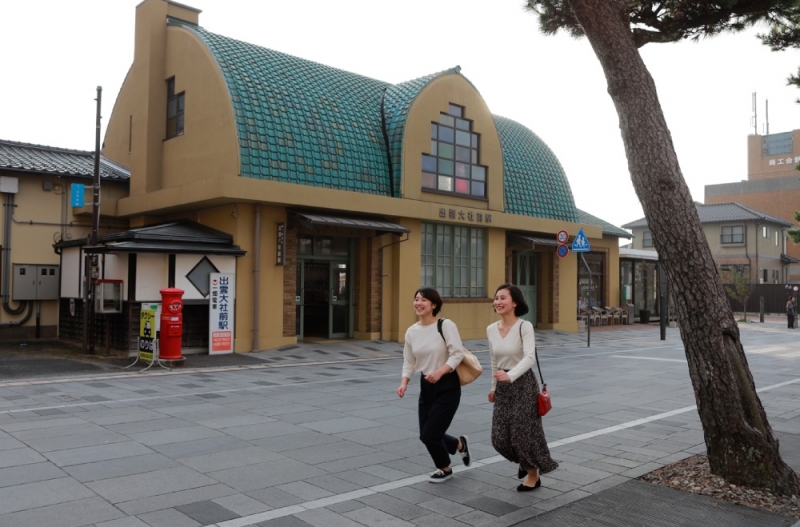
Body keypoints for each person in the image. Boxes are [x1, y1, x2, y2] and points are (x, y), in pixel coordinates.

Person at [487, 284, 558, 492]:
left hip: (524, 384)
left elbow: (529, 358)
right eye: (496, 298)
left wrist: (510, 375)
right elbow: (493, 360)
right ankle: (524, 461)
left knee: (522, 434)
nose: (498, 302)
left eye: (503, 298)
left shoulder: (524, 327)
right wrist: (494, 386)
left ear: (515, 302)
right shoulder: (491, 329)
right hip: (503, 385)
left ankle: (532, 475)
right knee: (499, 438)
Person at [397, 287, 471, 483]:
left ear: (434, 305)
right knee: (426, 434)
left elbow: (457, 354)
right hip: (427, 385)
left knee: (431, 434)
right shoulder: (412, 331)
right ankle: (459, 444)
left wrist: (440, 372)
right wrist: (404, 382)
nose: (418, 303)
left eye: (423, 300)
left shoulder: (445, 325)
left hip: (447, 384)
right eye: (416, 299)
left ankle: (445, 468)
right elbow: (409, 360)